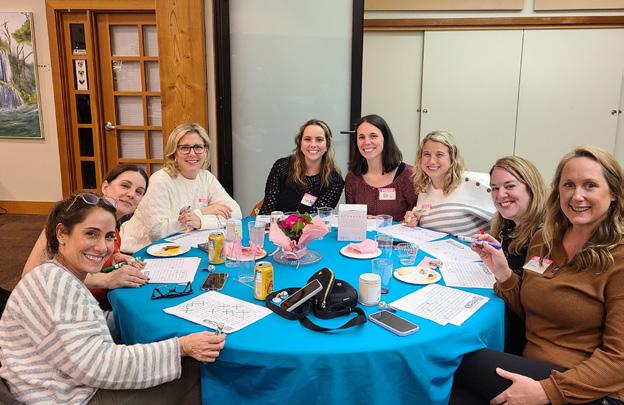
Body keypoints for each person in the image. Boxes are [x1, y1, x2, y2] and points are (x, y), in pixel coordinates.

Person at [0, 193, 226, 404]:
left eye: (109, 237)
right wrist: (181, 347)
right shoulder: (54, 283)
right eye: (91, 234)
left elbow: (88, 328)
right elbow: (98, 366)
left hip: (63, 382)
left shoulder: (58, 275)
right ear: (61, 234)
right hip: (65, 396)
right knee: (201, 373)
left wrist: (146, 318)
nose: (102, 247)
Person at [451, 146, 624, 405]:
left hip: (586, 386)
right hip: (534, 367)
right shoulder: (544, 239)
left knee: (457, 361)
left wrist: (546, 391)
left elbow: (619, 360)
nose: (577, 196)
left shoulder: (619, 257)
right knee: (455, 394)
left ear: (613, 193)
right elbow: (529, 311)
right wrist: (502, 272)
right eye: (568, 185)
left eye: (590, 185)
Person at [22, 164, 150, 302]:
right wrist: (106, 279)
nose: (131, 194)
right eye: (125, 186)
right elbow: (31, 276)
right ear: (105, 187)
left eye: (139, 192)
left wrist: (114, 258)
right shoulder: (71, 219)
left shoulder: (115, 229)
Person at [120, 123, 242, 253]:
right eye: (184, 148)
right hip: (137, 251)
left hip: (177, 248)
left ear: (205, 151)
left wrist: (200, 221)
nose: (192, 153)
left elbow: (235, 214)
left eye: (198, 147)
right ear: (174, 153)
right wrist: (203, 212)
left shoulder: (206, 177)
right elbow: (157, 232)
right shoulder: (161, 179)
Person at [489, 156, 547, 355]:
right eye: (494, 188)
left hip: (525, 340)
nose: (500, 195)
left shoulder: (544, 237)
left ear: (531, 187)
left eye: (510, 186)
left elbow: (530, 306)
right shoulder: (506, 225)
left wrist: (503, 273)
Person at [404, 130, 495, 235]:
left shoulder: (473, 182)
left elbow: (507, 218)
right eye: (427, 154)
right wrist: (414, 221)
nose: (432, 161)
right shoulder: (424, 189)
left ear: (452, 157)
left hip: (472, 245)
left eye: (439, 154)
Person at [259, 119, 344, 215]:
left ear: (327, 145)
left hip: (310, 225)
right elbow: (267, 209)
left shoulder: (334, 181)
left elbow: (314, 217)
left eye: (319, 139)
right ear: (300, 143)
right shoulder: (281, 167)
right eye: (307, 139)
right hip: (276, 223)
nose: (313, 145)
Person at [345, 114, 417, 221]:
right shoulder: (352, 178)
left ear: (385, 138)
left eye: (373, 136)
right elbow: (350, 219)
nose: (367, 142)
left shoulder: (409, 175)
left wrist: (410, 220)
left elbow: (417, 215)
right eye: (361, 137)